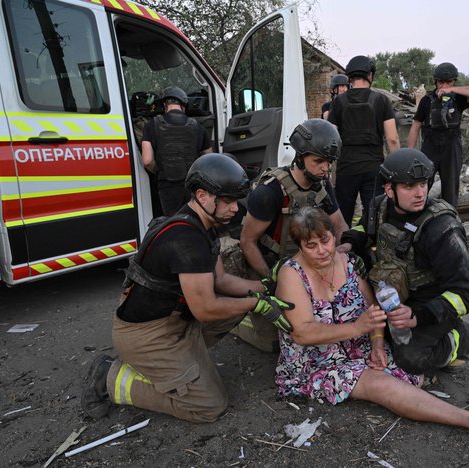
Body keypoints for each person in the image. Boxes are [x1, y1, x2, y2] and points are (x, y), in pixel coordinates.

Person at [275, 206, 469, 445]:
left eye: (325, 241)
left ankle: (455, 341)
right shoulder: (292, 273)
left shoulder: (346, 261)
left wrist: (377, 344)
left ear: (334, 236)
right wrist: (357, 328)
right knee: (381, 386)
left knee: (414, 376)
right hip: (316, 359)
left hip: (356, 345)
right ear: (299, 246)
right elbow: (303, 332)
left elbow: (372, 309)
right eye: (311, 246)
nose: (322, 251)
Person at [81, 153, 294, 423]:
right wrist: (256, 302)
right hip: (147, 336)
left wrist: (265, 287)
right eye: (227, 201)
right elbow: (206, 309)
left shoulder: (203, 225)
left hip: (176, 321)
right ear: (202, 195)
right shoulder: (186, 239)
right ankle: (109, 376)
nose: (235, 209)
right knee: (208, 406)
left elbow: (221, 281)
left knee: (241, 300)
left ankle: (180, 366)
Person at [339, 148, 469, 376]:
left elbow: (468, 292)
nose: (419, 193)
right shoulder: (378, 206)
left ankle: (458, 339)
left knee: (410, 359)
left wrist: (419, 316)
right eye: (409, 186)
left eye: (423, 184)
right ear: (389, 190)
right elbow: (363, 228)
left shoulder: (441, 228)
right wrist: (349, 243)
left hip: (428, 305)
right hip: (389, 294)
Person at [241, 119, 348, 278]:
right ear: (299, 157)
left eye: (329, 161)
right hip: (277, 266)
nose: (325, 168)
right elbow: (247, 242)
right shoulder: (269, 192)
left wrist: (344, 254)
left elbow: (340, 226)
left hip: (312, 263)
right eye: (318, 161)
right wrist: (271, 280)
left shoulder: (322, 185)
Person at [328, 55, 400, 226]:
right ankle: (371, 250)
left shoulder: (338, 101)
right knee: (374, 215)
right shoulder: (381, 100)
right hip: (373, 168)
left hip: (346, 168)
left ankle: (343, 249)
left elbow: (331, 138)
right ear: (370, 75)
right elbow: (392, 139)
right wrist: (396, 170)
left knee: (343, 217)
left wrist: (329, 169)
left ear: (350, 77)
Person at [407, 62, 469, 208]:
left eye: (448, 81)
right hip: (430, 147)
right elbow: (415, 127)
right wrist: (409, 154)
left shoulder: (458, 99)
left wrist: (452, 90)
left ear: (454, 81)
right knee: (420, 185)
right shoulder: (427, 100)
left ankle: (449, 220)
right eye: (441, 82)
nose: (444, 85)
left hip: (452, 148)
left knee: (450, 191)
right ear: (435, 82)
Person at [142, 86, 213, 215]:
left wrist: (159, 171)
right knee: (192, 220)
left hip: (167, 186)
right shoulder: (197, 127)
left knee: (172, 222)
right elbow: (209, 158)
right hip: (191, 186)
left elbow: (147, 161)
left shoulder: (151, 125)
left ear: (165, 105)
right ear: (183, 106)